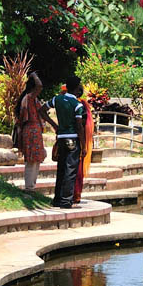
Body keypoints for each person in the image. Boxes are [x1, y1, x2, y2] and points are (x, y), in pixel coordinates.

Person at [46, 76, 86, 209]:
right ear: (76, 88)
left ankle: (57, 199)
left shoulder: (56, 99)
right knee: (70, 170)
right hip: (73, 138)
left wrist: (54, 125)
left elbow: (42, 110)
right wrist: (84, 145)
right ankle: (66, 201)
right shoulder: (77, 105)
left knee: (61, 168)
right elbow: (79, 126)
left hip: (61, 138)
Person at [15, 72, 57, 191]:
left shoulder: (33, 99)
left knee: (36, 159)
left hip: (35, 131)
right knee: (31, 159)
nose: (40, 90)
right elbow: (39, 86)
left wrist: (53, 125)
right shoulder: (29, 98)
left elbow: (41, 114)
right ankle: (29, 186)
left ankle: (32, 185)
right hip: (30, 131)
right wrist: (34, 76)